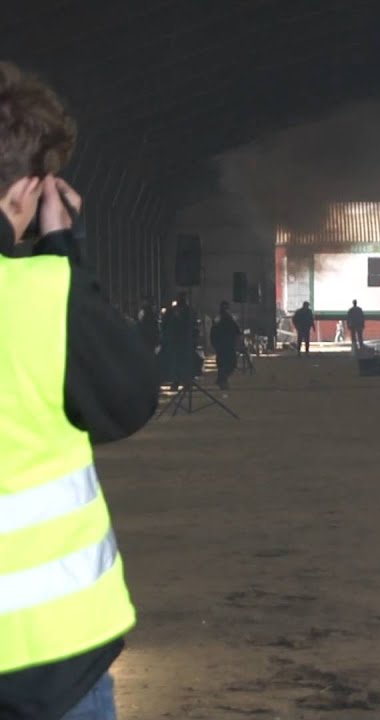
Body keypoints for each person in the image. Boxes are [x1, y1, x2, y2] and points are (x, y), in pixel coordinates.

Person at [0, 61, 158, 720]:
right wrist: (65, 249)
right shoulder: (42, 295)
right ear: (31, 191)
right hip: (47, 664)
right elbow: (124, 398)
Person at [210, 301, 240, 390]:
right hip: (226, 345)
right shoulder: (225, 318)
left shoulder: (220, 318)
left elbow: (213, 332)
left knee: (223, 364)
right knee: (229, 364)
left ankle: (222, 380)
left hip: (223, 345)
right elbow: (236, 331)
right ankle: (222, 381)